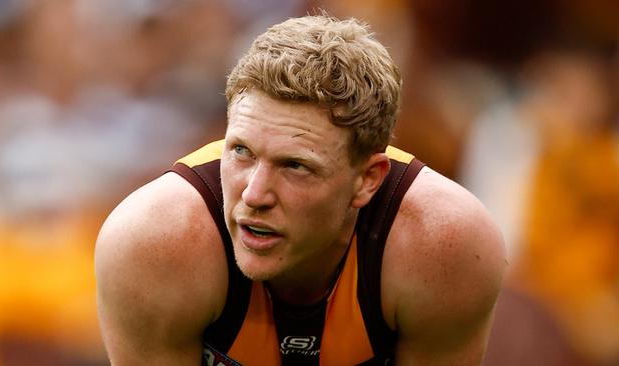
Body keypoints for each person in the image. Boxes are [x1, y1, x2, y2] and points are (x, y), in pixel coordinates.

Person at [94, 14, 506, 366]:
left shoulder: (446, 246)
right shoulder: (154, 242)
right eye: (241, 151)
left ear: (368, 180)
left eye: (295, 166)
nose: (254, 195)